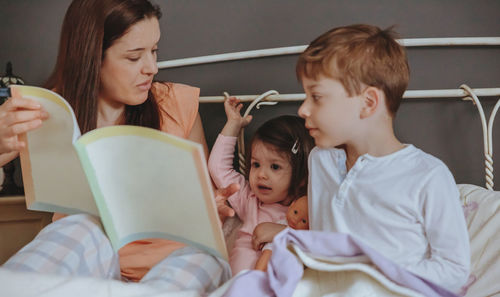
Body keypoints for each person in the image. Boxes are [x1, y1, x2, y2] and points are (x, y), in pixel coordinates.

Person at [1, 0, 236, 293]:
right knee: (79, 227)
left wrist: (210, 207)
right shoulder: (50, 110)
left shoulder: (176, 105)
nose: (152, 68)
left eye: (154, 51)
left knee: (203, 256)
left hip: (178, 256)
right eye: (134, 57)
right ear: (91, 58)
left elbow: (208, 207)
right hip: (95, 259)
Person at [294, 24, 469, 292]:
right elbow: (325, 249)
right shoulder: (320, 161)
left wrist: (374, 271)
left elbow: (454, 270)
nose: (303, 109)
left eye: (316, 97)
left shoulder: (428, 176)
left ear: (368, 103)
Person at [207, 96, 315, 275]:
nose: (261, 175)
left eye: (275, 167)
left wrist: (282, 232)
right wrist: (233, 124)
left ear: (302, 176)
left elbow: (323, 240)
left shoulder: (307, 210)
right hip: (238, 283)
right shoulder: (249, 199)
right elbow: (218, 167)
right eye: (256, 164)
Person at [253, 195, 309, 272]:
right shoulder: (281, 222)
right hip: (273, 248)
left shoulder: (302, 235)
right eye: (295, 212)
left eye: (303, 221)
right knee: (266, 255)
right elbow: (268, 232)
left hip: (287, 255)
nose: (295, 220)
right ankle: (257, 274)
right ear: (291, 206)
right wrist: (262, 240)